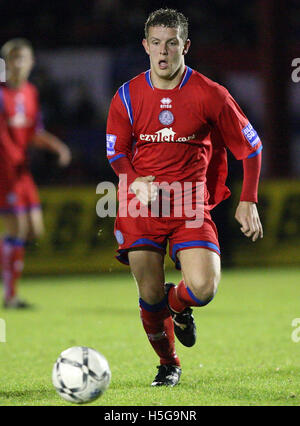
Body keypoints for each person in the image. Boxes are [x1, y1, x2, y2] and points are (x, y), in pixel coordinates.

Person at [106, 9, 263, 387]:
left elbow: (251, 147)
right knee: (148, 293)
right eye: (156, 43)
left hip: (190, 205)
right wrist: (132, 179)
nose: (163, 51)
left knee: (204, 289)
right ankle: (168, 364)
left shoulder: (211, 94)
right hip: (139, 204)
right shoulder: (126, 96)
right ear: (145, 46)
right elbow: (116, 152)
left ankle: (177, 307)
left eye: (172, 43)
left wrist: (249, 199)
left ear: (185, 46)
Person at [0, 38, 71, 308]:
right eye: (12, 59)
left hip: (22, 170)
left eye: (23, 58)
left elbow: (32, 133)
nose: (18, 64)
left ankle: (10, 287)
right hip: (3, 170)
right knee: (16, 230)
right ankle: (10, 296)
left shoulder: (30, 92)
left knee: (34, 230)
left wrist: (58, 147)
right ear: (5, 64)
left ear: (31, 62)